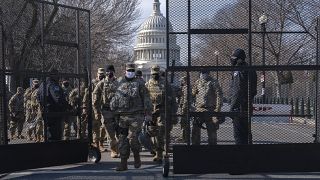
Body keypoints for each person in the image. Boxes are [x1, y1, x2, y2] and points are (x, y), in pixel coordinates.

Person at [110, 63, 152, 171]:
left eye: (132, 70)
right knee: (122, 140)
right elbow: (113, 97)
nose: (130, 72)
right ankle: (123, 163)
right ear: (125, 71)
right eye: (129, 70)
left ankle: (136, 156)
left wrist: (148, 113)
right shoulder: (119, 82)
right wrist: (113, 112)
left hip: (136, 116)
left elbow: (146, 98)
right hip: (122, 117)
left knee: (134, 139)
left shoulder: (139, 83)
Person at [229, 48, 257, 145]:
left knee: (239, 135)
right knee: (247, 133)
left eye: (233, 58)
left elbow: (237, 90)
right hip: (247, 104)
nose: (231, 60)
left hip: (239, 107)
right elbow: (253, 90)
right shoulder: (251, 69)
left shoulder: (239, 70)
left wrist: (232, 108)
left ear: (238, 59)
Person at [93, 65, 119, 157]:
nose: (110, 73)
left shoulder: (118, 83)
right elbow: (95, 98)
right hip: (107, 111)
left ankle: (117, 148)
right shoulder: (102, 84)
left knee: (119, 132)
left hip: (118, 112)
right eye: (108, 71)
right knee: (110, 132)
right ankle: (113, 150)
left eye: (112, 71)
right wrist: (97, 113)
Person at [192, 70, 223, 145]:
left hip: (210, 109)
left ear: (208, 73)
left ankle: (212, 148)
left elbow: (219, 95)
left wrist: (217, 109)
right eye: (202, 73)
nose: (203, 74)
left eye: (205, 73)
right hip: (199, 109)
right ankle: (195, 147)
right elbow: (193, 93)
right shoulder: (198, 82)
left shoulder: (213, 82)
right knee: (195, 130)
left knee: (212, 131)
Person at [38, 69, 69, 141]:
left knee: (48, 135)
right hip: (54, 114)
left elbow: (38, 97)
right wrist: (68, 107)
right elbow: (58, 99)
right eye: (57, 75)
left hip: (46, 112)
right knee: (55, 137)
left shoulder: (42, 85)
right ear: (53, 75)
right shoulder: (53, 85)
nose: (58, 77)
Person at [145, 65, 166, 163]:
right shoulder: (148, 84)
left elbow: (171, 97)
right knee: (152, 132)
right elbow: (144, 97)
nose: (155, 76)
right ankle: (155, 149)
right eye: (153, 74)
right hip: (151, 111)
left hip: (161, 111)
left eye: (156, 74)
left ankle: (159, 153)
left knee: (160, 133)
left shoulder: (165, 83)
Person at [177, 76, 188, 143]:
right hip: (183, 106)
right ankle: (183, 136)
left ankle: (185, 137)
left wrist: (184, 108)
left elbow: (186, 99)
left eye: (182, 81)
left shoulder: (186, 88)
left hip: (185, 107)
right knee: (182, 122)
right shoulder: (184, 87)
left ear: (185, 80)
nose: (181, 82)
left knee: (184, 122)